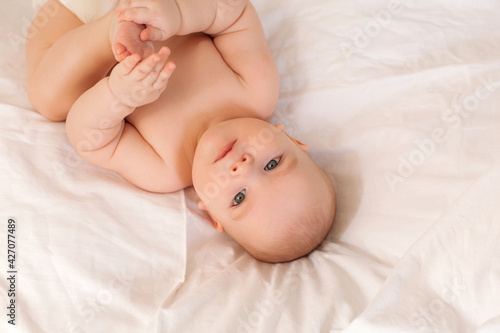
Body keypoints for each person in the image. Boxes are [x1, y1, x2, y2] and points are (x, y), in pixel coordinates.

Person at [26, 0, 336, 263]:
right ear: (291, 139)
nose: (242, 168)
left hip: (77, 28)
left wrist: (117, 95)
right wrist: (177, 13)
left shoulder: (164, 170)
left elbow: (89, 139)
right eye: (272, 164)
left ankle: (113, 27)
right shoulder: (256, 90)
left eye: (239, 197)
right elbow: (236, 14)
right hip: (153, 6)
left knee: (50, 100)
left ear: (213, 215)